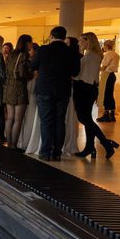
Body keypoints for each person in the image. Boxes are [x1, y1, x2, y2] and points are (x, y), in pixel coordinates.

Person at [31, 26, 81, 161]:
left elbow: (32, 66)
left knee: (46, 121)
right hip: (63, 91)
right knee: (60, 121)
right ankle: (57, 152)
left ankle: (46, 152)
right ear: (64, 37)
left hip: (45, 90)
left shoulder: (43, 50)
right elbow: (76, 72)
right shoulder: (71, 52)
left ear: (51, 36)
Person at [73, 32, 117, 158]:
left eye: (81, 40)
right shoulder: (93, 55)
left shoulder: (91, 56)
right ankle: (90, 147)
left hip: (85, 88)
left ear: (88, 41)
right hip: (88, 88)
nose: (79, 43)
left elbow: (82, 74)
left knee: (84, 118)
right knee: (87, 119)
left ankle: (105, 143)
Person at [3, 34, 32, 150]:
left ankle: (8, 144)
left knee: (10, 118)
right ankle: (13, 146)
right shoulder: (23, 55)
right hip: (19, 88)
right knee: (18, 120)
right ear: (26, 43)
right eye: (30, 42)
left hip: (9, 88)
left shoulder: (11, 55)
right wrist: (31, 75)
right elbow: (22, 74)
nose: (30, 45)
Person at [97, 39, 120, 122]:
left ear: (106, 46)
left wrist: (94, 67)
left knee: (105, 94)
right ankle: (112, 115)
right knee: (110, 94)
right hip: (112, 75)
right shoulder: (116, 54)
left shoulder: (107, 54)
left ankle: (106, 115)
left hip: (106, 75)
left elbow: (103, 67)